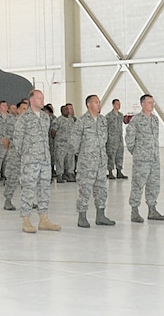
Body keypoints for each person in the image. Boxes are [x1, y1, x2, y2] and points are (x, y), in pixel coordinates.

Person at [14, 89, 60, 233]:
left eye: (43, 98)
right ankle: (26, 220)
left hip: (45, 161)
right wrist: (27, 156)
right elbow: (17, 140)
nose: (42, 101)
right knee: (28, 190)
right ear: (32, 100)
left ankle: (43, 219)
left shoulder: (46, 118)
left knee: (44, 190)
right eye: (39, 98)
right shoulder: (24, 118)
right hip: (30, 161)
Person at [70, 95, 114, 228]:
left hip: (101, 162)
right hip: (86, 163)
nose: (99, 104)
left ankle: (100, 215)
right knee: (85, 189)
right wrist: (84, 155)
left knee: (101, 189)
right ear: (88, 104)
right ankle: (82, 216)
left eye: (99, 102)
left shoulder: (102, 120)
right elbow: (74, 142)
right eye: (96, 102)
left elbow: (105, 139)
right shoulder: (81, 121)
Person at [126, 95, 164, 223]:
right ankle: (134, 211)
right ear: (142, 104)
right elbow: (129, 139)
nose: (152, 104)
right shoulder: (136, 120)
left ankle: (152, 209)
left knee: (154, 184)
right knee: (138, 184)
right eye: (149, 102)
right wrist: (137, 152)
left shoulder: (155, 119)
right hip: (141, 159)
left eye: (153, 102)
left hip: (154, 158)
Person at [51, 104, 76, 182]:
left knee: (70, 160)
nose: (67, 111)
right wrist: (59, 140)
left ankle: (69, 174)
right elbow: (53, 132)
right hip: (61, 145)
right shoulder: (58, 120)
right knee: (60, 160)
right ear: (61, 111)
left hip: (70, 144)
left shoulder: (72, 119)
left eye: (68, 109)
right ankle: (59, 176)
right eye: (65, 110)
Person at [104, 99, 126, 179]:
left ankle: (119, 171)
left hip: (119, 139)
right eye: (117, 104)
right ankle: (110, 172)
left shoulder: (120, 115)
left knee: (119, 155)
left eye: (119, 104)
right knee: (111, 156)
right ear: (113, 105)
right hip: (111, 140)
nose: (119, 106)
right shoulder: (108, 116)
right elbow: (105, 128)